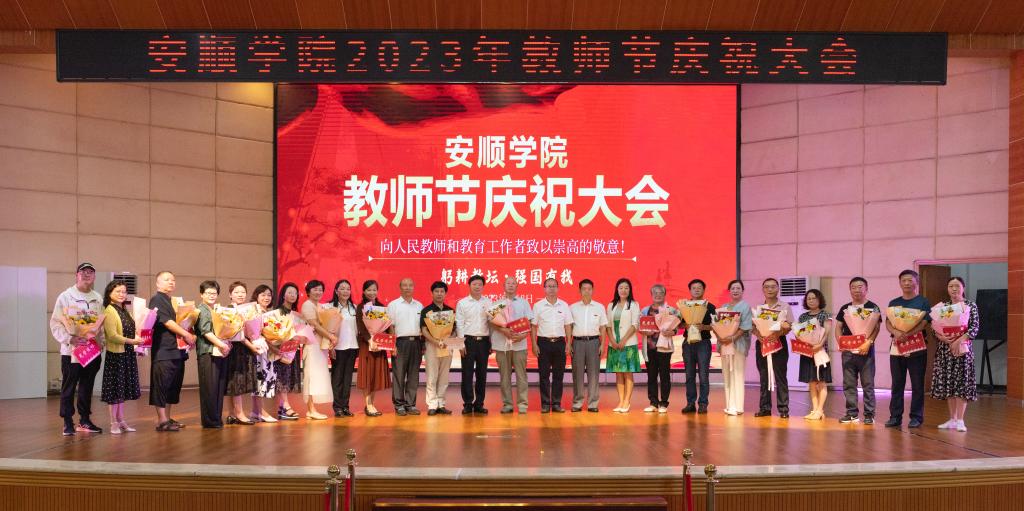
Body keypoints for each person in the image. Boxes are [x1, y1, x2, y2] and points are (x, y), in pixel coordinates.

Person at [50, 262, 105, 436]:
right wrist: (70, 339)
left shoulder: (98, 297)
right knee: (69, 387)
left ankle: (85, 420)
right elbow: (56, 323)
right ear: (77, 275)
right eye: (83, 271)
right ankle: (67, 421)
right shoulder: (66, 296)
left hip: (91, 351)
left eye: (90, 272)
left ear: (94, 276)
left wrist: (101, 343)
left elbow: (101, 324)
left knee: (87, 387)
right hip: (71, 352)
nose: (87, 274)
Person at [149, 271, 196, 432]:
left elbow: (182, 322)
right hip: (164, 350)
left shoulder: (173, 301)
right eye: (166, 279)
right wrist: (187, 335)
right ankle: (162, 420)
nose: (171, 282)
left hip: (178, 350)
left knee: (172, 386)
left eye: (173, 280)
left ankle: (167, 418)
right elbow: (167, 322)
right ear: (158, 283)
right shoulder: (157, 299)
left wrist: (189, 336)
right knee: (161, 385)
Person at [930, 276, 979, 432]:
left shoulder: (970, 305)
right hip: (945, 350)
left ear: (963, 288)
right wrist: (942, 337)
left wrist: (959, 340)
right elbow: (934, 328)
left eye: (957, 286)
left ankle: (961, 420)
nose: (954, 289)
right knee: (949, 384)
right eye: (951, 286)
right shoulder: (943, 307)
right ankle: (952, 419)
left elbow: (974, 328)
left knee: (961, 385)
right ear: (947, 289)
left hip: (962, 349)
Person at [885, 269, 931, 429]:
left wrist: (908, 334)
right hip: (897, 347)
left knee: (917, 384)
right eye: (903, 280)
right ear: (900, 283)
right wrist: (896, 332)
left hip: (917, 347)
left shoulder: (923, 302)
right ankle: (895, 416)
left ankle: (916, 417)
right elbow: (888, 322)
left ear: (916, 282)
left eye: (910, 280)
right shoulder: (893, 303)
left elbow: (924, 323)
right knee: (897, 383)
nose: (907, 283)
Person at [834, 277, 880, 425]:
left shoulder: (873, 307)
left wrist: (869, 342)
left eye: (860, 287)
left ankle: (869, 414)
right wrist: (841, 342)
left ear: (866, 289)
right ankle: (851, 413)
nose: (857, 290)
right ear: (850, 290)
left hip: (866, 349)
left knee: (868, 383)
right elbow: (838, 327)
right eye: (853, 287)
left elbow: (876, 328)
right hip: (848, 350)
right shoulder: (845, 308)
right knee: (849, 383)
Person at [100, 280, 142, 434]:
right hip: (116, 355)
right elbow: (112, 336)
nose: (122, 294)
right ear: (109, 293)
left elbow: (131, 330)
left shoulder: (124, 310)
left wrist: (138, 342)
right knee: (114, 391)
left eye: (124, 291)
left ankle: (121, 420)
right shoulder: (109, 310)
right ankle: (113, 423)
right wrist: (133, 341)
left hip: (127, 354)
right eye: (118, 291)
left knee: (122, 390)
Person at [490, 276, 533, 414]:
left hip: (520, 345)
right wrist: (504, 331)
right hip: (502, 345)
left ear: (517, 286)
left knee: (521, 376)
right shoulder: (497, 304)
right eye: (508, 283)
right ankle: (507, 404)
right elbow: (492, 323)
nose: (511, 285)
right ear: (504, 286)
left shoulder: (524, 303)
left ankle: (522, 405)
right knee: (504, 376)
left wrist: (522, 336)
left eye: (513, 283)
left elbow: (529, 323)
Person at [531, 278, 574, 413]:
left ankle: (556, 403)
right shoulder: (538, 306)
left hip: (560, 343)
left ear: (558, 288)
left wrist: (568, 343)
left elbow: (568, 325)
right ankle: (545, 404)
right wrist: (534, 344)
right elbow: (533, 326)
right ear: (544, 289)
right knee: (544, 375)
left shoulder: (564, 305)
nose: (551, 289)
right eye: (548, 286)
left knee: (558, 375)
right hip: (543, 343)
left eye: (554, 286)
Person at [754, 278, 793, 419]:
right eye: (766, 287)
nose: (769, 289)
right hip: (762, 343)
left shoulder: (784, 306)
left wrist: (778, 333)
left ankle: (783, 409)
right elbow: (753, 326)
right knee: (763, 376)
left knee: (780, 376)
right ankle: (765, 408)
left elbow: (789, 326)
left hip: (779, 343)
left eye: (772, 287)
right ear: (763, 289)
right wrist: (758, 334)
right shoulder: (759, 308)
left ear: (778, 289)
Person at [195, 280, 231, 429]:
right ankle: (210, 420)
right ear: (201, 294)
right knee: (209, 388)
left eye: (214, 293)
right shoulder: (202, 310)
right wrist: (222, 345)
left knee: (217, 387)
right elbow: (205, 331)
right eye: (208, 293)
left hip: (217, 351)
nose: (211, 295)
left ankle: (216, 418)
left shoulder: (215, 310)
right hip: (207, 352)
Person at [388, 278, 424, 416]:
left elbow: (423, 327)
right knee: (399, 375)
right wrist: (392, 345)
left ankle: (410, 404)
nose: (408, 288)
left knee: (413, 376)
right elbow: (391, 326)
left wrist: (422, 344)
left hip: (416, 343)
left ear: (413, 287)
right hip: (400, 343)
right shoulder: (393, 305)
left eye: (410, 285)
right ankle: (399, 404)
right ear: (400, 287)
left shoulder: (419, 305)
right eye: (405, 285)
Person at [570, 279, 607, 413]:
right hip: (577, 342)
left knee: (594, 374)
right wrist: (569, 343)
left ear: (593, 290)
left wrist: (603, 344)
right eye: (584, 289)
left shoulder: (599, 307)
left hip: (594, 342)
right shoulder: (572, 307)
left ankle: (593, 403)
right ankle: (577, 403)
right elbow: (569, 327)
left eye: (589, 289)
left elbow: (603, 327)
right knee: (577, 374)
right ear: (579, 291)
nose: (586, 291)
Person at [456, 275, 492, 414]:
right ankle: (468, 403)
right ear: (469, 286)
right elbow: (459, 324)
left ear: (483, 286)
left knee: (482, 374)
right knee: (467, 374)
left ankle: (479, 404)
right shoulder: (462, 303)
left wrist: (492, 342)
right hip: (468, 341)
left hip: (484, 341)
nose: (477, 286)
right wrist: (461, 344)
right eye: (474, 284)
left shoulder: (488, 302)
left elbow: (492, 322)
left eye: (480, 284)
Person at [605, 278, 641, 413]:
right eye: (621, 288)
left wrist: (623, 340)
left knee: (627, 373)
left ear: (630, 290)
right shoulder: (611, 305)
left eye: (626, 288)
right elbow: (608, 326)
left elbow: (635, 325)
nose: (623, 290)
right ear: (617, 290)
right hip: (614, 344)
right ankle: (620, 401)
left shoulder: (634, 304)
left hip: (628, 343)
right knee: (619, 373)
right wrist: (613, 341)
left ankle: (627, 401)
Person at [224, 281, 258, 426]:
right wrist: (252, 346)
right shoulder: (228, 310)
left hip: (244, 348)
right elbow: (235, 334)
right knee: (235, 381)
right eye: (236, 292)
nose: (240, 294)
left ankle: (231, 414)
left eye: (243, 292)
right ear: (230, 295)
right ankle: (239, 414)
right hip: (234, 349)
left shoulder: (250, 310)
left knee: (234, 382)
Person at [681, 279, 716, 414]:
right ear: (690, 290)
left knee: (703, 375)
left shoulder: (710, 306)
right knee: (689, 375)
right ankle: (690, 403)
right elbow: (679, 324)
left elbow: (715, 325)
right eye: (694, 288)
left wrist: (704, 327)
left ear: (703, 290)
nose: (696, 290)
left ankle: (703, 403)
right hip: (688, 343)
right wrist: (686, 325)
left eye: (699, 288)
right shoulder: (684, 306)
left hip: (703, 343)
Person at [301, 280, 334, 420]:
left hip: (321, 346)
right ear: (308, 291)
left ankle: (312, 409)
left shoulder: (320, 306)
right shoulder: (307, 305)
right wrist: (331, 336)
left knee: (317, 377)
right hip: (312, 345)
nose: (318, 292)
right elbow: (314, 324)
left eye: (320, 290)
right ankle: (310, 409)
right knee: (311, 377)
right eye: (315, 289)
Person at [718, 280, 752, 416]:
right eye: (733, 288)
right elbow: (718, 325)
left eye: (738, 288)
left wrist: (732, 338)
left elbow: (745, 327)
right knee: (727, 374)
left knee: (737, 373)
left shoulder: (745, 306)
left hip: (738, 344)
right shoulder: (724, 307)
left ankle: (738, 407)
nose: (735, 290)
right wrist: (721, 336)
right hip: (725, 345)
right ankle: (729, 405)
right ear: (729, 291)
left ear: (742, 291)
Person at [797, 289, 832, 421]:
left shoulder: (825, 315)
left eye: (814, 298)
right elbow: (799, 333)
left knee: (821, 382)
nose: (811, 301)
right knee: (811, 382)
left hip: (821, 352)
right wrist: (802, 340)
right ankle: (815, 409)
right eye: (809, 298)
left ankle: (820, 410)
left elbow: (826, 333)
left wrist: (819, 344)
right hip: (807, 352)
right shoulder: (803, 317)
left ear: (819, 299)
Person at [357, 280, 391, 416]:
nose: (372, 292)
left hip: (379, 345)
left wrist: (383, 339)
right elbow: (361, 326)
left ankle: (372, 403)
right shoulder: (361, 307)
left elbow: (385, 326)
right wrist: (370, 339)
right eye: (369, 290)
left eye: (374, 290)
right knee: (367, 375)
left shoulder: (381, 307)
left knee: (375, 375)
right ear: (364, 291)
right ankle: (368, 404)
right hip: (366, 344)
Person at [422, 281, 456, 416]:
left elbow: (454, 329)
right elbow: (424, 330)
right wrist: (436, 341)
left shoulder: (450, 311)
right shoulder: (426, 311)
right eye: (436, 291)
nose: (439, 294)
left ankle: (441, 403)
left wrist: (447, 340)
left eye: (442, 291)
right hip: (432, 345)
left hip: (447, 345)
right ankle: (432, 404)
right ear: (432, 293)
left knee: (444, 376)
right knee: (432, 375)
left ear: (445, 293)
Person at [641, 284, 675, 413]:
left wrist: (671, 332)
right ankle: (653, 403)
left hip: (664, 347)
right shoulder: (645, 310)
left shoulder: (671, 310)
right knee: (651, 376)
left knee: (665, 375)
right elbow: (640, 327)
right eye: (655, 292)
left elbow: (676, 328)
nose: (658, 295)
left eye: (661, 292)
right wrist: (644, 331)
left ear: (664, 295)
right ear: (651, 295)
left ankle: (664, 403)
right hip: (650, 347)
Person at [329, 280, 360, 418]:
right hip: (338, 347)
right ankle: (337, 407)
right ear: (336, 291)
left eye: (348, 288)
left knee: (347, 379)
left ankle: (345, 406)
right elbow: (327, 329)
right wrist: (330, 346)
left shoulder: (354, 308)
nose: (345, 291)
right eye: (342, 288)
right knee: (337, 378)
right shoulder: (330, 308)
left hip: (352, 346)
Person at [273, 282, 303, 421]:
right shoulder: (277, 312)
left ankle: (282, 407)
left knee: (287, 378)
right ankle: (285, 406)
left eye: (295, 293)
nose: (293, 295)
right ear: (283, 295)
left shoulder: (296, 314)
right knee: (282, 378)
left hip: (293, 349)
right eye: (290, 292)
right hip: (282, 350)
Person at [250, 285, 278, 423]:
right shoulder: (253, 311)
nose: (266, 297)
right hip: (258, 350)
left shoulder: (270, 313)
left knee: (263, 380)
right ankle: (261, 412)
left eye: (269, 295)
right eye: (263, 295)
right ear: (256, 296)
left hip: (267, 350)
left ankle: (256, 411)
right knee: (259, 381)